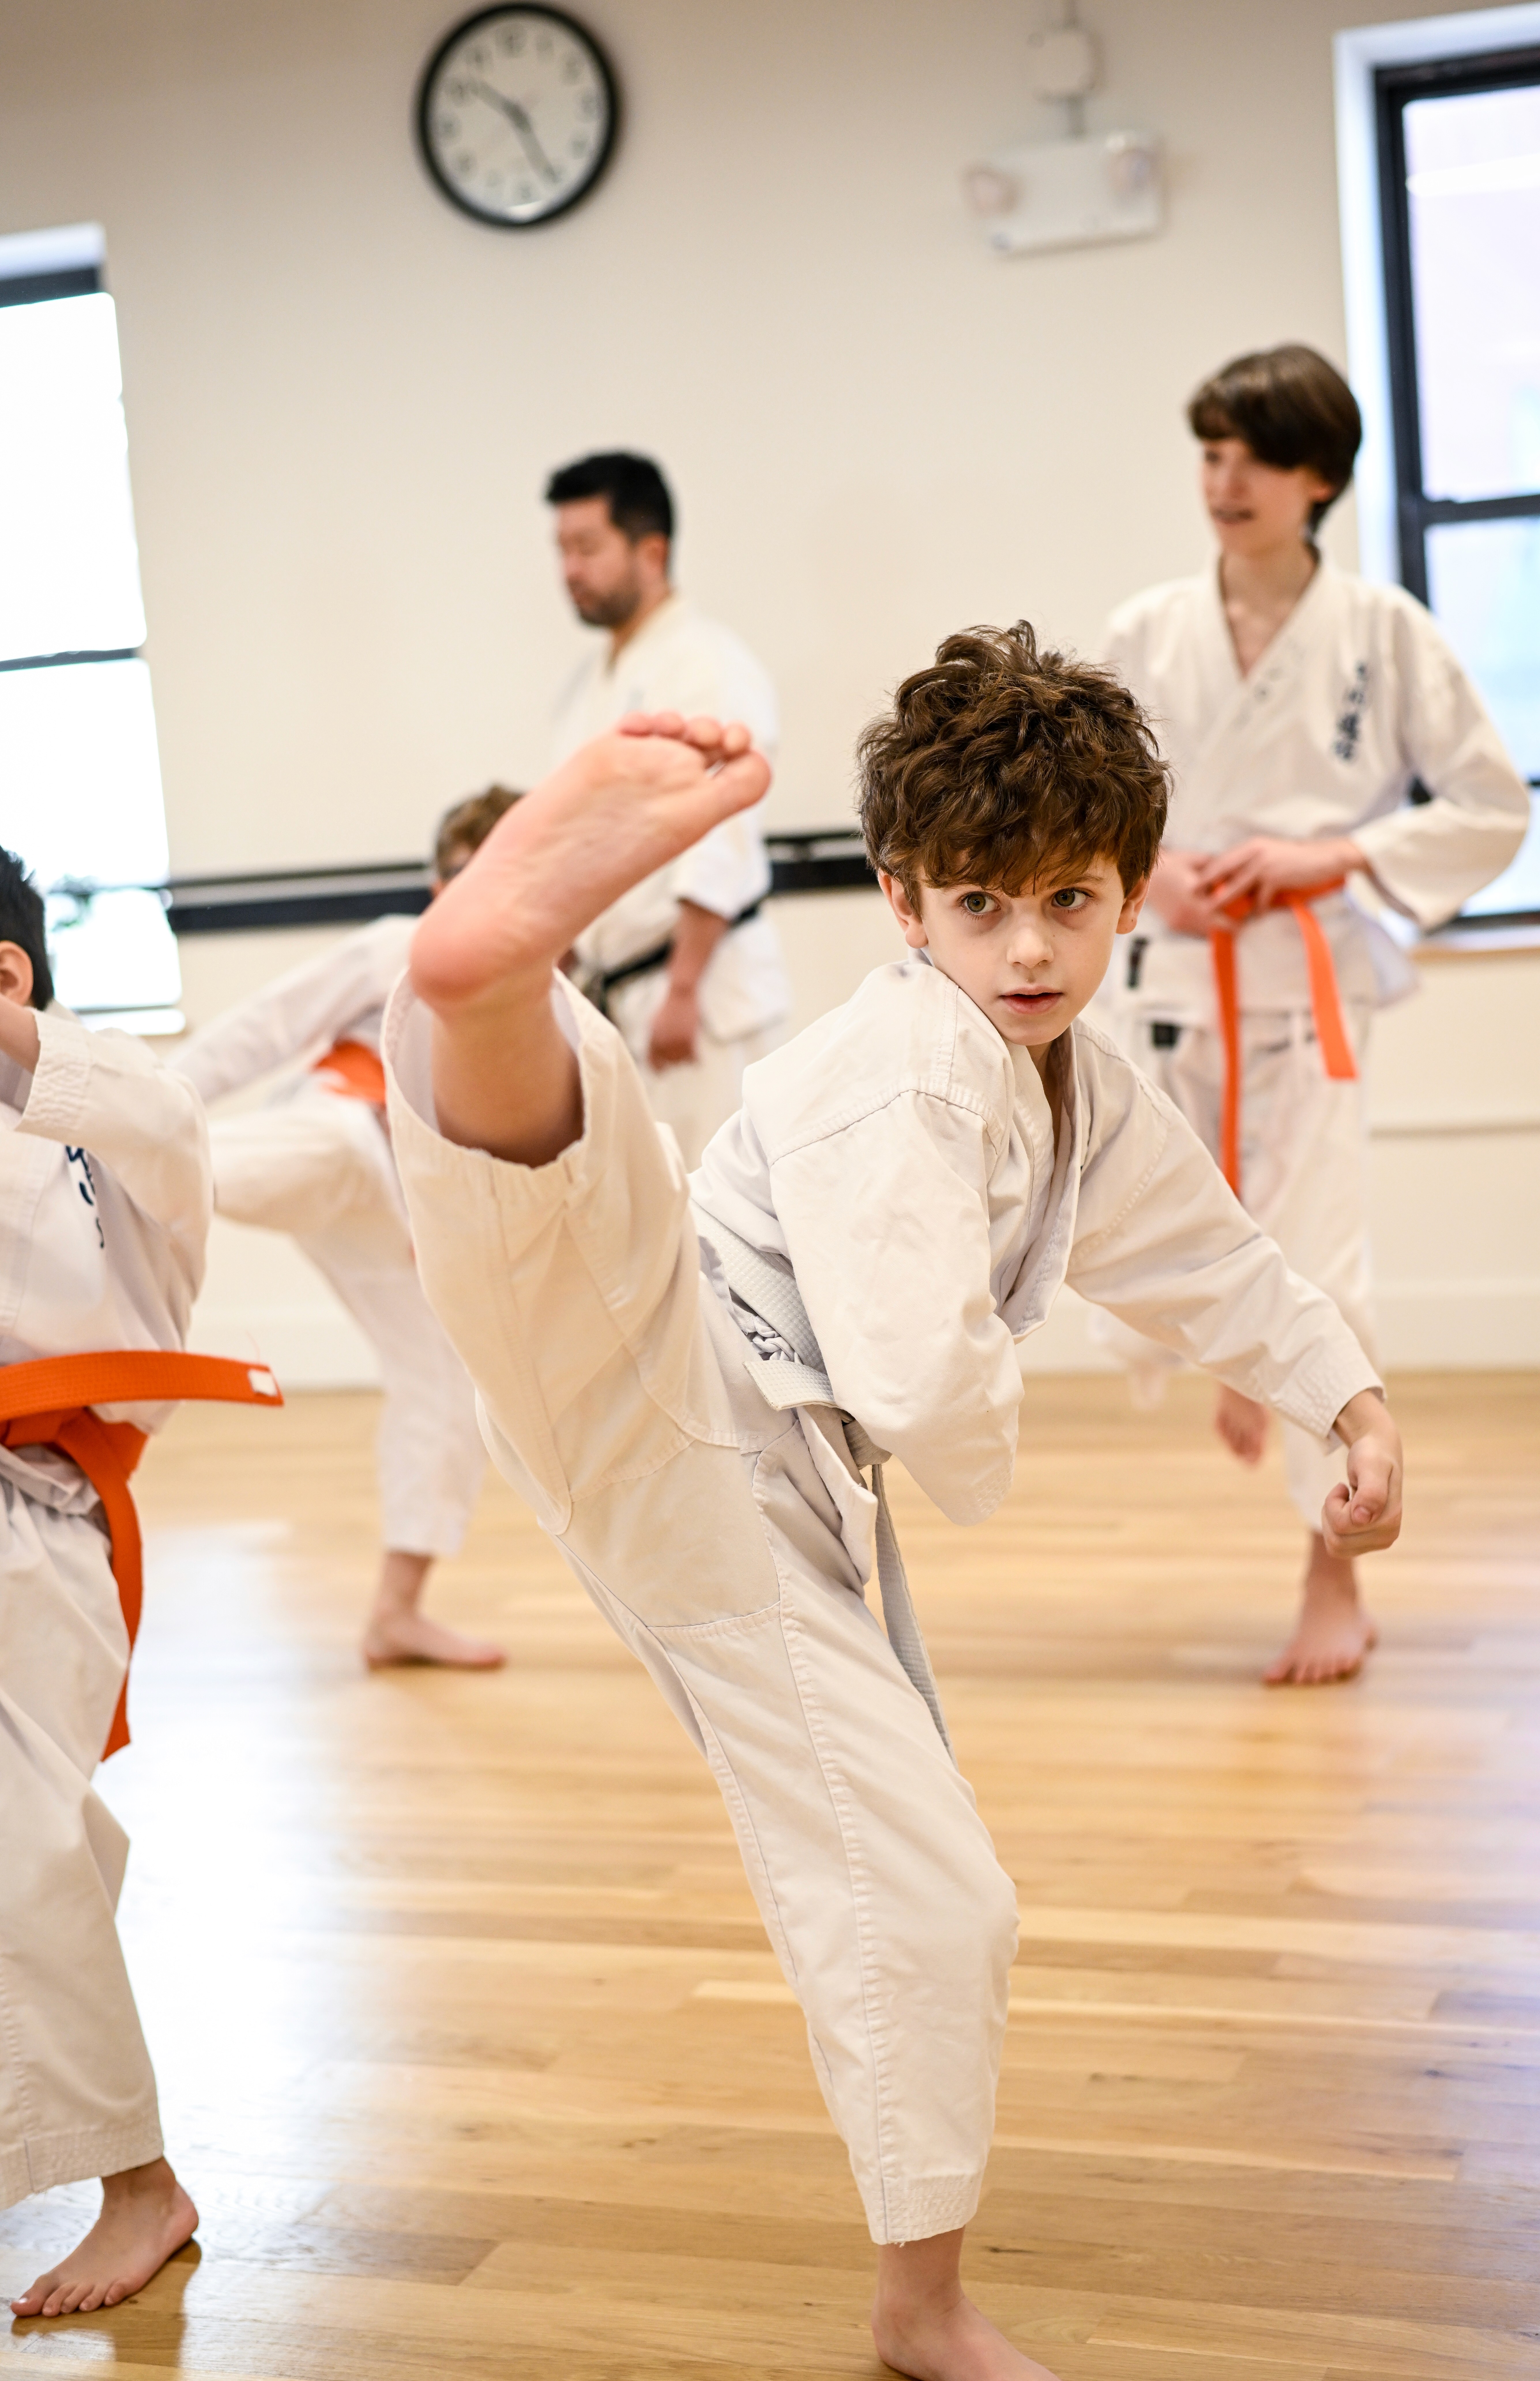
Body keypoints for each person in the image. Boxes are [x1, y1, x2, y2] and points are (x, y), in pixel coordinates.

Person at [380, 626, 1403, 2379]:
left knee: (573, 1195)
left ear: (1126, 893)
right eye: (982, 903)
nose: (1027, 946)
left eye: (1069, 902)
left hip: (681, 1366)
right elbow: (922, 1378)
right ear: (902, 903)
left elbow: (1202, 1248)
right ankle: (917, 2309)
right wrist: (1010, 1438)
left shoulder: (1066, 1071)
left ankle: (497, 995)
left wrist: (1341, 1386)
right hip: (712, 1430)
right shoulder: (920, 1064)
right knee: (929, 1897)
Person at [1099, 344, 1527, 1687]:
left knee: (1322, 1260)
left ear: (1318, 479)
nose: (1222, 482)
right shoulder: (1145, 630)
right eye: (1209, 454)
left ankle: (1332, 1564)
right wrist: (1153, 872)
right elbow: (1093, 806)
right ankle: (1242, 1357)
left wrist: (1330, 855)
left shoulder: (1385, 633)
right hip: (1173, 985)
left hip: (1312, 989)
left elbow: (1488, 806)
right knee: (1154, 1236)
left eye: (1252, 458)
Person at [0, 848, 280, 2320]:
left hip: (35, 1524)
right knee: (38, 1841)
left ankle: (138, 2182)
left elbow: (171, 1123)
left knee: (21, 1839)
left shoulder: (100, 1138)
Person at [172, 788, 522, 1670]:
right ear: (437, 882)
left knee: (445, 1383)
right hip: (335, 1137)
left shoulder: (543, 985)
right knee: (172, 1163)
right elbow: (264, 1030)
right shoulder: (395, 947)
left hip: (403, 1214)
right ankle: (91, 1150)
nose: (466, 897)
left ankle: (395, 1615)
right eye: (455, 879)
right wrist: (155, 1105)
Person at [544, 448, 790, 1166]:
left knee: (728, 1227)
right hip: (619, 994)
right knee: (650, 1228)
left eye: (587, 548)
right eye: (561, 550)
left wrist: (683, 985)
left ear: (651, 551)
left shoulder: (706, 665)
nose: (569, 570)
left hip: (702, 999)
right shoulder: (585, 685)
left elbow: (722, 827)